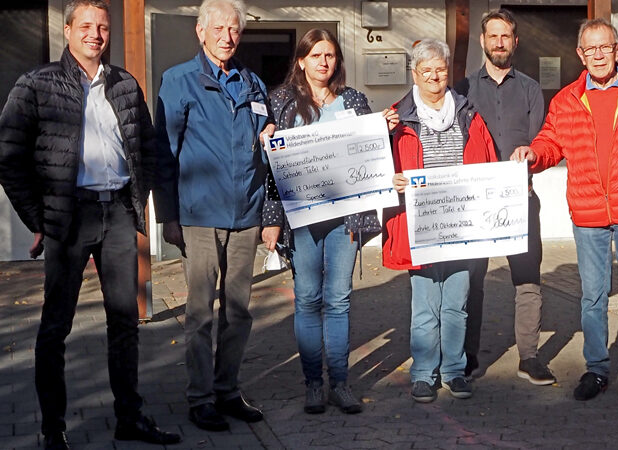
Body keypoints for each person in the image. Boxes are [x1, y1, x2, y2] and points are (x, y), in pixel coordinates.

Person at [0, 1, 181, 448]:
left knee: (124, 322)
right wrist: (38, 217)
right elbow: (9, 156)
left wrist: (144, 202)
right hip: (70, 216)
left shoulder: (123, 84)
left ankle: (129, 418)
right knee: (56, 326)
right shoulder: (36, 84)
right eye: (86, 26)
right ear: (67, 31)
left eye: (102, 27)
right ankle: (53, 428)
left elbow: (149, 147)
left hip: (118, 212)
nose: (95, 34)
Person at [511, 18, 618, 406]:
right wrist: (534, 153)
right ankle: (597, 369)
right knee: (592, 298)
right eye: (591, 49)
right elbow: (550, 141)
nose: (599, 55)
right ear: (580, 54)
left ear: (617, 49)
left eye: (606, 47)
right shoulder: (567, 99)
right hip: (587, 214)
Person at [261, 28, 399, 415]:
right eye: (317, 55)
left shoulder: (354, 101)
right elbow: (273, 169)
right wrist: (271, 219)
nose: (325, 61)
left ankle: (340, 383)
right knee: (307, 299)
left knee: (338, 301)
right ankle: (312, 384)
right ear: (301, 60)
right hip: (302, 219)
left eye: (331, 55)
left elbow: (368, 156)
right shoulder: (281, 102)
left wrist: (382, 133)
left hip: (345, 218)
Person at [153, 0, 273, 432]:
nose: (227, 36)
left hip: (246, 215)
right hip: (199, 215)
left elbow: (268, 146)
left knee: (238, 312)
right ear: (200, 32)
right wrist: (167, 214)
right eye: (219, 28)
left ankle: (227, 390)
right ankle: (200, 398)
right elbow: (163, 154)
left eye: (234, 30)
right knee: (201, 312)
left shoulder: (253, 83)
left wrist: (270, 142)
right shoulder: (179, 81)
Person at [384, 38, 497, 403]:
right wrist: (392, 179)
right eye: (426, 69)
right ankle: (423, 374)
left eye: (441, 69)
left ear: (449, 72)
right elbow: (374, 168)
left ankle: (453, 371)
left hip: (463, 223)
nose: (434, 76)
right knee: (425, 303)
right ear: (414, 74)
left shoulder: (468, 113)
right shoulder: (395, 119)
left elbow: (489, 164)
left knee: (456, 302)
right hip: (420, 224)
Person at [454, 9, 553, 384]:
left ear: (515, 41)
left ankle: (529, 357)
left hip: (519, 197)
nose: (499, 43)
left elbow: (540, 140)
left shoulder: (529, 88)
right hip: (475, 202)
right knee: (472, 279)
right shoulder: (461, 90)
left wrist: (531, 153)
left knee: (527, 278)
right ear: (482, 41)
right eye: (492, 36)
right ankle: (468, 357)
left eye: (505, 36)